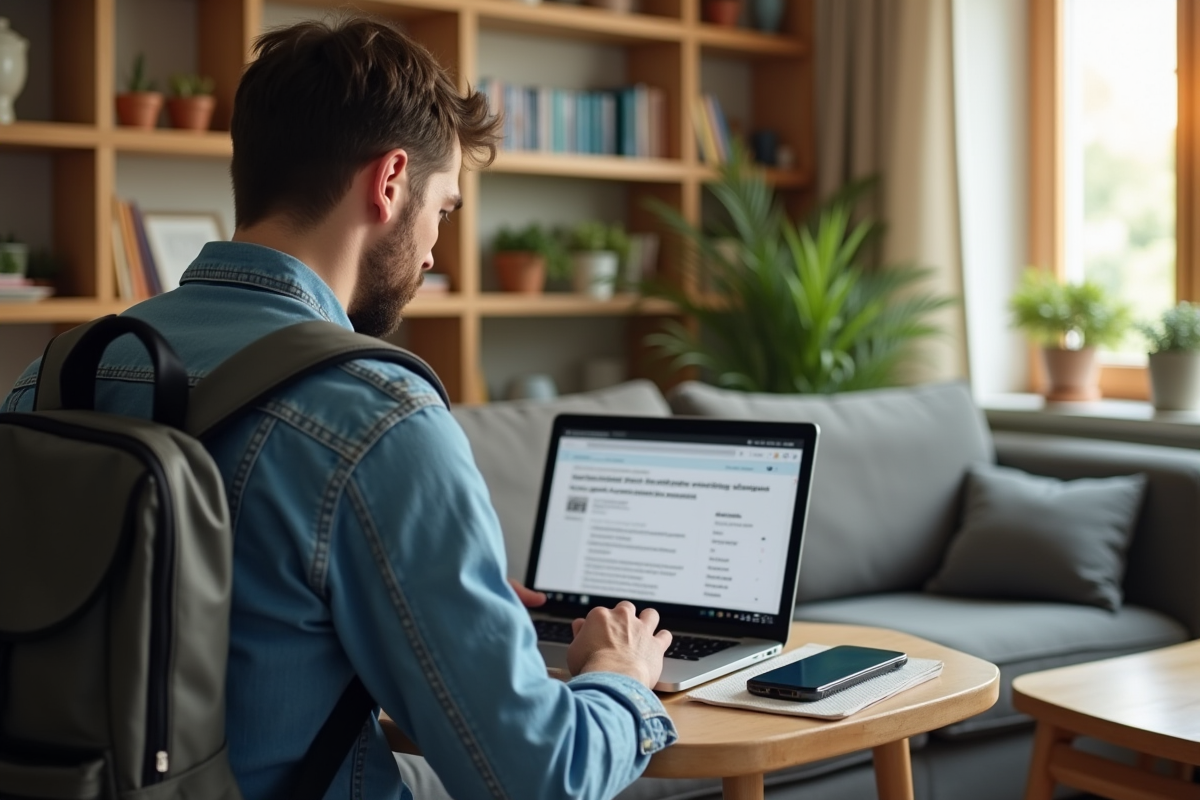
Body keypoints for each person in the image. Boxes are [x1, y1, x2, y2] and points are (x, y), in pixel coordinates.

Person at [3, 14, 676, 800]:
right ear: (390, 183)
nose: (435, 250)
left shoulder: (48, 377)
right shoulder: (377, 416)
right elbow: (536, 778)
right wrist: (620, 676)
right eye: (444, 209)